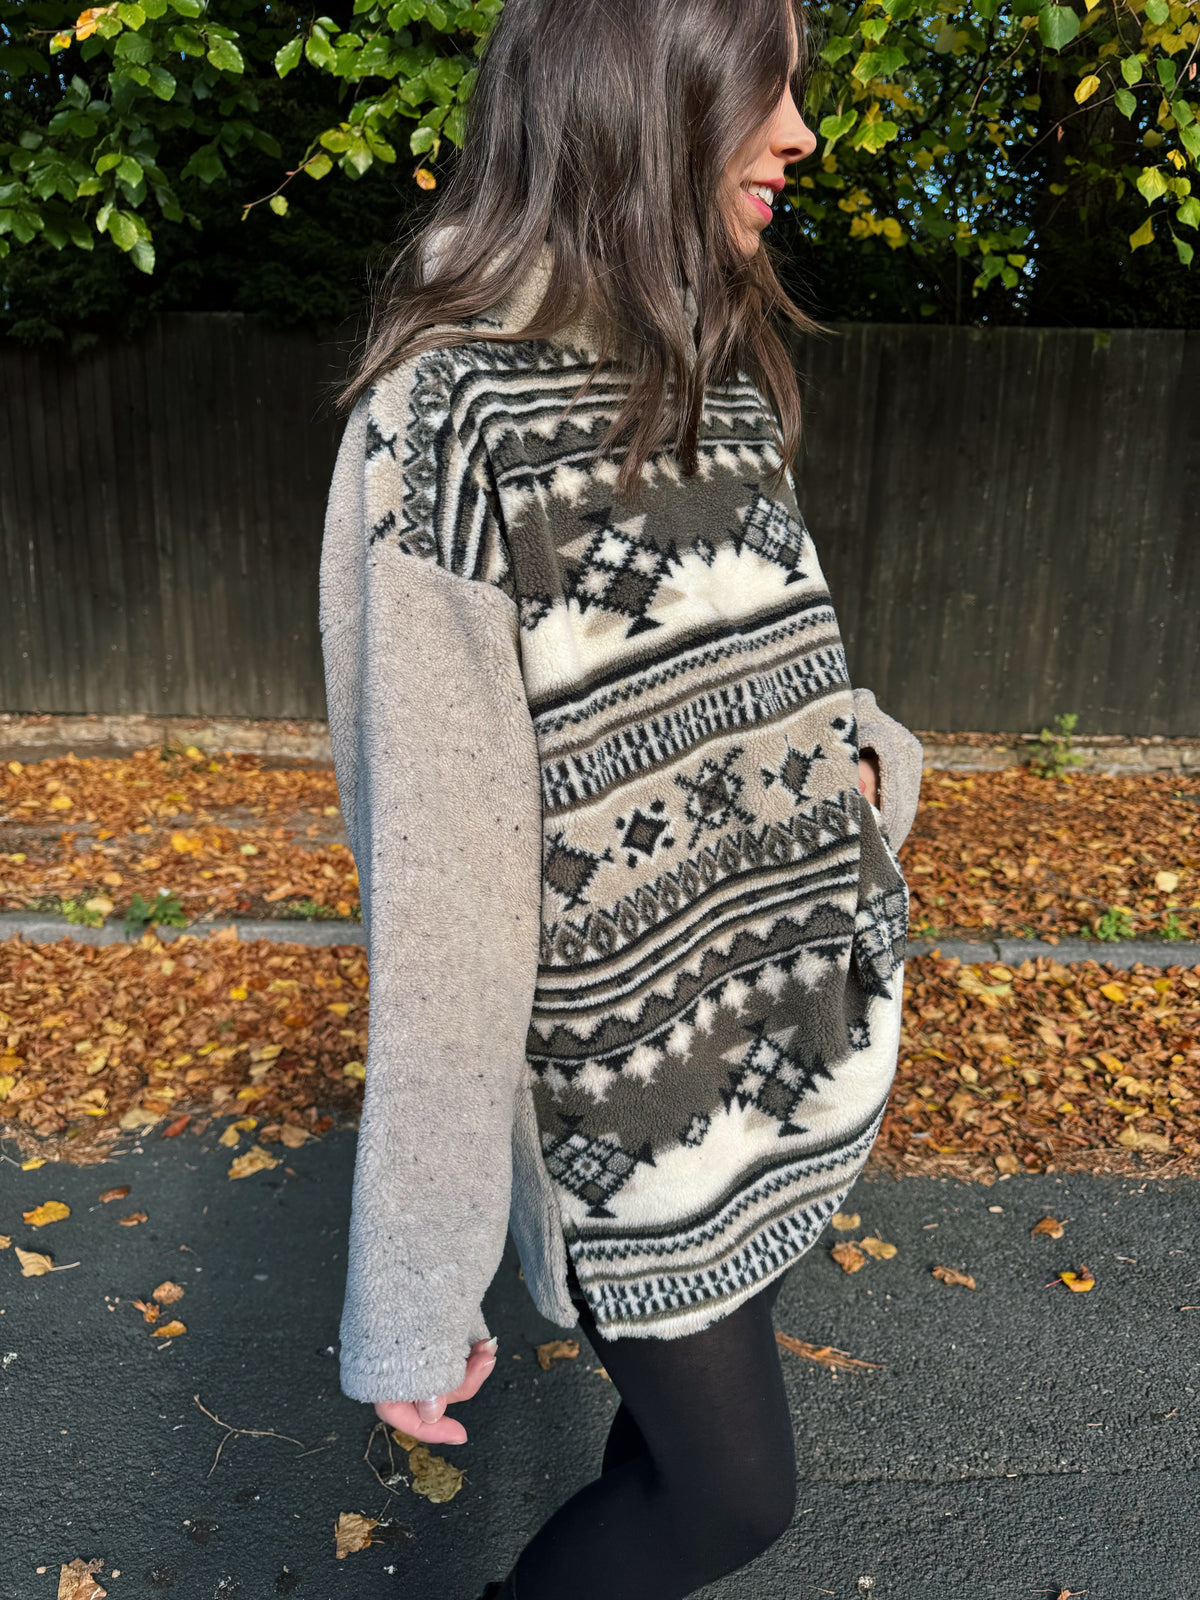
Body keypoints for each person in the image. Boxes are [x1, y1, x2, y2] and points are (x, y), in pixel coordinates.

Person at [317, 1, 924, 1595]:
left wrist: (864, 775)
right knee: (733, 1497)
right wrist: (416, 1282)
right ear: (633, 86)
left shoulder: (709, 368)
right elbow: (444, 910)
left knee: (667, 1463)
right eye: (762, 83)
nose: (798, 131)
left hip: (778, 1034)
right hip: (629, 1112)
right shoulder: (448, 431)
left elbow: (763, 666)